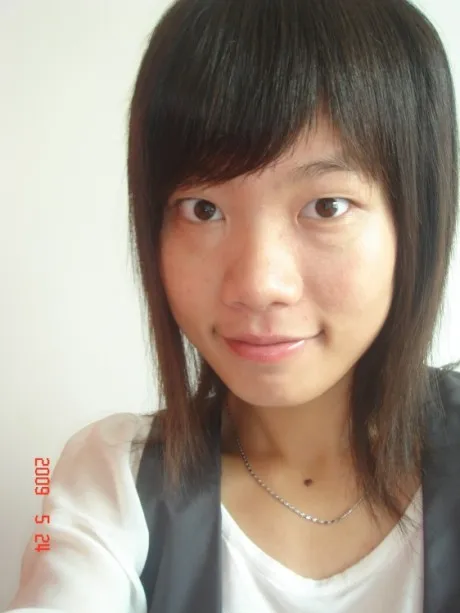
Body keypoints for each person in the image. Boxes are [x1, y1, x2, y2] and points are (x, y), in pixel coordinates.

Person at [4, 0, 460, 612]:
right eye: (203, 209)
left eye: (326, 206)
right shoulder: (107, 477)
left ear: (417, 221)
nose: (257, 284)